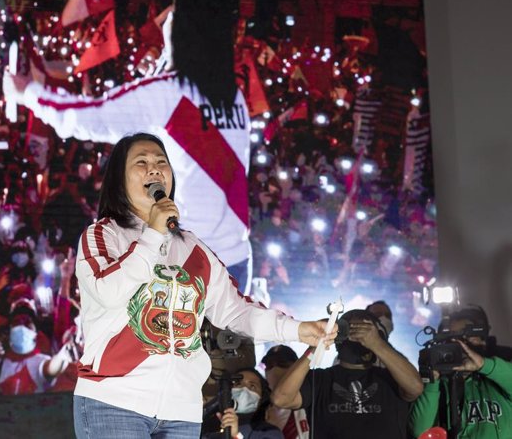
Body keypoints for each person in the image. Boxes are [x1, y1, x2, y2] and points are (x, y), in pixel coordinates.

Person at [71, 133, 335, 438]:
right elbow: (108, 290)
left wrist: (299, 330)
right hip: (115, 401)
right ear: (118, 179)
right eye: (141, 163)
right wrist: (153, 234)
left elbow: (236, 312)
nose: (154, 169)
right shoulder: (102, 235)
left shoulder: (193, 249)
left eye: (161, 163)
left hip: (182, 411)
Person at [4, 0, 253, 291]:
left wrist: (27, 92)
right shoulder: (234, 98)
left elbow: (90, 116)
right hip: (236, 264)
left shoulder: (167, 94)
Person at [270, 309, 423, 439]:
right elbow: (281, 398)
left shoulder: (390, 377)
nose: (356, 336)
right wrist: (315, 346)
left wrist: (378, 344)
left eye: (364, 329)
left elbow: (415, 388)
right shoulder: (320, 379)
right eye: (348, 329)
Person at [409, 305, 512, 438]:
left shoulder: (498, 379)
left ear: (483, 340)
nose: (460, 344)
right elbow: (420, 431)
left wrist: (483, 365)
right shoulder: (440, 388)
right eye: (452, 338)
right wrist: (432, 382)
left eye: (466, 336)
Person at [0, 299, 76, 395]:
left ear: (36, 333)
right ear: (9, 331)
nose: (22, 326)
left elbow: (51, 368)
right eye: (17, 322)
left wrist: (64, 355)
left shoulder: (38, 361)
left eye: (27, 323)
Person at [203, 367, 283, 439]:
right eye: (238, 384)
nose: (244, 388)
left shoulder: (268, 432)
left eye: (252, 386)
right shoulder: (207, 426)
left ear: (261, 398)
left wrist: (236, 436)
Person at [261, 345, 309, 439]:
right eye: (269, 366)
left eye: (282, 364)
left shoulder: (310, 403)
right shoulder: (259, 408)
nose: (275, 370)